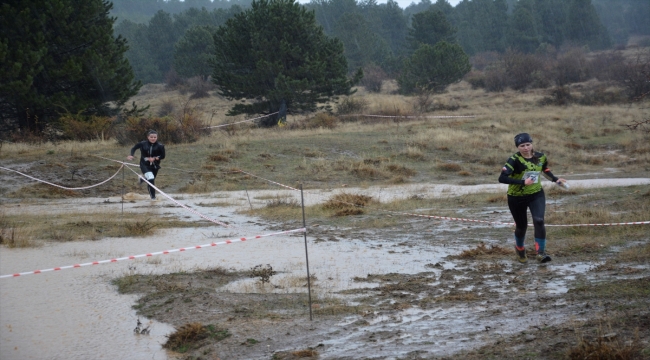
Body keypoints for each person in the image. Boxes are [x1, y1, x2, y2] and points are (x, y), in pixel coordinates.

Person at [498, 133, 566, 264]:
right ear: (518, 147)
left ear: (532, 144)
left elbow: (544, 169)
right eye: (522, 146)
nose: (526, 148)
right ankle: (519, 248)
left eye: (528, 144)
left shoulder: (540, 156)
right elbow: (502, 178)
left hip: (536, 194)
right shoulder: (514, 160)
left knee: (539, 220)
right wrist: (523, 183)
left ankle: (540, 253)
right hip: (516, 197)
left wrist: (556, 179)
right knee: (521, 226)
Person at [127, 130, 165, 200]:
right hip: (144, 165)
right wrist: (131, 155)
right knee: (151, 179)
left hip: (155, 166)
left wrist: (155, 158)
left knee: (151, 181)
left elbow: (162, 156)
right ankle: (153, 199)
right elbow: (134, 148)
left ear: (157, 137)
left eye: (155, 137)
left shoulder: (160, 146)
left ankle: (143, 179)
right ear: (148, 137)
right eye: (151, 137)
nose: (153, 138)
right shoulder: (142, 143)